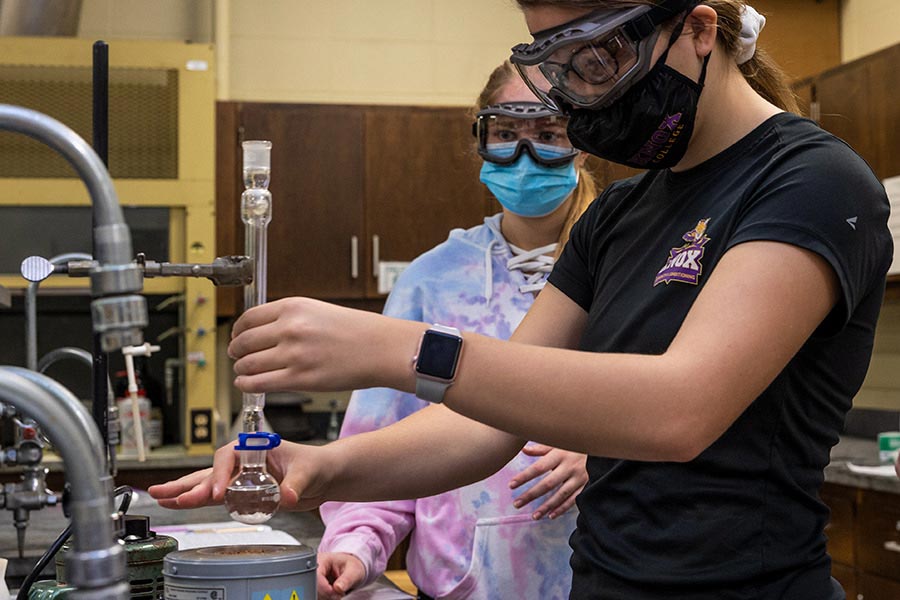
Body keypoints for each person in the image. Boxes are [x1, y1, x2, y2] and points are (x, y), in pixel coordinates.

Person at [149, 2, 893, 599]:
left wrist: (397, 348)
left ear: (699, 30)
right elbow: (486, 428)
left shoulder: (812, 182)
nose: (579, 96)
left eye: (596, 61)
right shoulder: (619, 215)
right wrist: (322, 467)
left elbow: (680, 411)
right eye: (555, 65)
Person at [315, 62, 596, 600]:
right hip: (460, 588)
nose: (525, 155)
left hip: (600, 580)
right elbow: (380, 447)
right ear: (481, 141)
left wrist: (606, 452)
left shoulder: (629, 265)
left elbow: (685, 413)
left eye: (548, 134)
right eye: (507, 134)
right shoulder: (433, 281)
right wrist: (355, 544)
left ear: (582, 143)